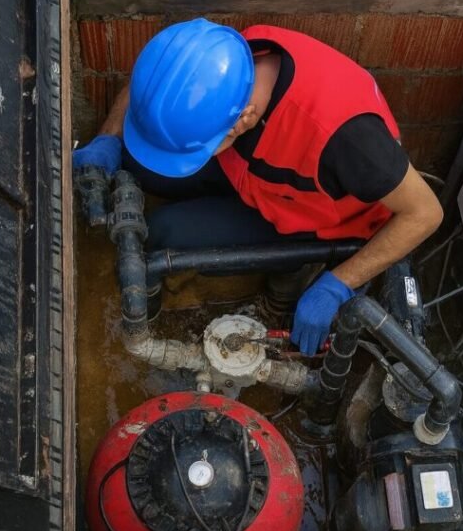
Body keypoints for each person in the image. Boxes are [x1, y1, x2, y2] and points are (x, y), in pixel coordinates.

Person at [73, 18, 443, 355]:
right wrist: (108, 138)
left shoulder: (348, 138)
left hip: (310, 214)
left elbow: (425, 213)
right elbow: (150, 89)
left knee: (165, 231)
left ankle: (283, 284)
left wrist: (339, 283)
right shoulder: (226, 57)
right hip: (252, 171)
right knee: (139, 159)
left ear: (242, 120)